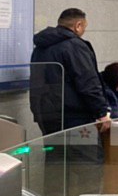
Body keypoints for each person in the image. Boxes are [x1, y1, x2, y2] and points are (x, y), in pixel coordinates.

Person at [29, 7, 111, 136]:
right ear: (78, 25)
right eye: (84, 27)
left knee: (54, 148)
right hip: (75, 116)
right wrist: (101, 112)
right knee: (84, 149)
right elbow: (87, 81)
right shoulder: (74, 46)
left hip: (46, 114)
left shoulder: (40, 48)